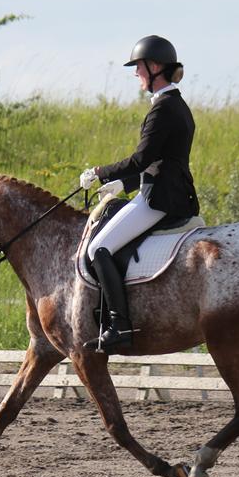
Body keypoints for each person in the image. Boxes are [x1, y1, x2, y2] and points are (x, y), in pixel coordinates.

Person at [79, 35, 200, 352]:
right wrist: (124, 185)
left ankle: (119, 325)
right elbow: (159, 160)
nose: (136, 74)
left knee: (99, 249)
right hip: (162, 191)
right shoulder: (176, 105)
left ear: (155, 67)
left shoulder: (163, 109)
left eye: (139, 67)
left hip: (159, 199)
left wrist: (99, 172)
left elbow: (141, 159)